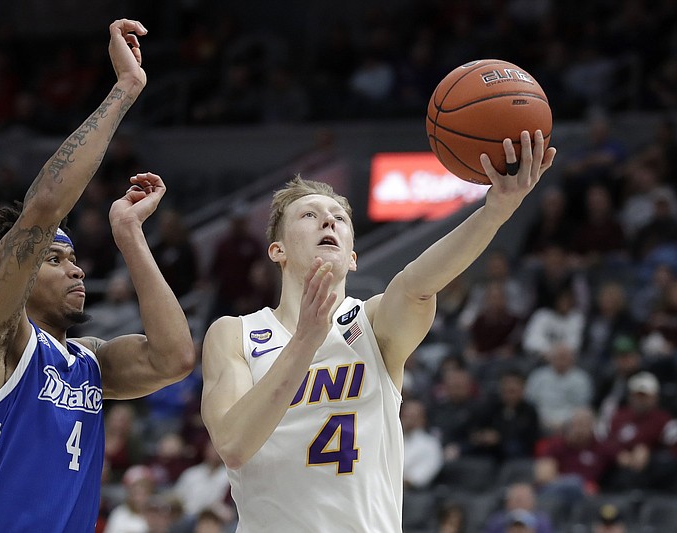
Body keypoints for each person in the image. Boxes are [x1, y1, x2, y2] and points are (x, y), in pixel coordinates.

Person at [200, 130, 556, 531]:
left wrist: (496, 210)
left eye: (339, 218)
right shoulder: (235, 333)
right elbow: (232, 445)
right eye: (309, 215)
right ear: (277, 250)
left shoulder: (369, 323)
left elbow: (417, 287)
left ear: (352, 258)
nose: (328, 220)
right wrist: (304, 340)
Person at [0, 20, 195, 532]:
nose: (76, 267)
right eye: (55, 259)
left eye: (73, 258)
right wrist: (124, 91)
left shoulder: (90, 362)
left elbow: (173, 358)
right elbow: (42, 208)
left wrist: (129, 234)